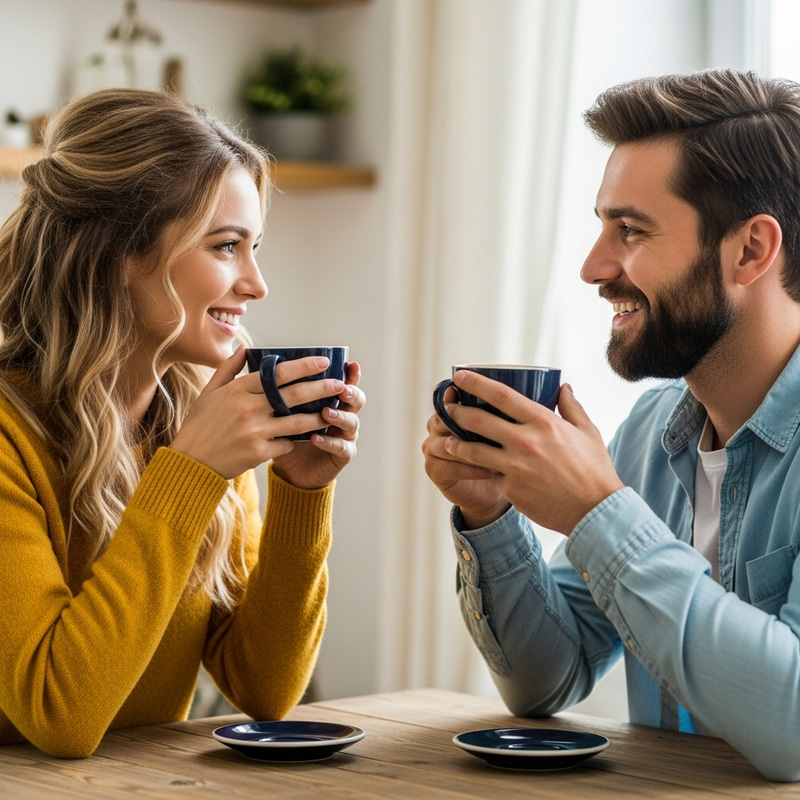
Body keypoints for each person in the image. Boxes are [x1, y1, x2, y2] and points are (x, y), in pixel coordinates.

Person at [422, 68, 800, 783]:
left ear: (750, 250)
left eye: (629, 231)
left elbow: (795, 731)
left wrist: (601, 511)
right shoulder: (652, 433)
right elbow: (548, 679)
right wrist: (489, 510)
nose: (595, 267)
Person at [0, 87, 366, 758]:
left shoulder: (200, 420)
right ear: (119, 255)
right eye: (226, 247)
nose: (257, 284)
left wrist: (302, 492)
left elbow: (264, 686)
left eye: (255, 247)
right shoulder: (9, 437)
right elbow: (61, 715)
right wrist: (190, 473)